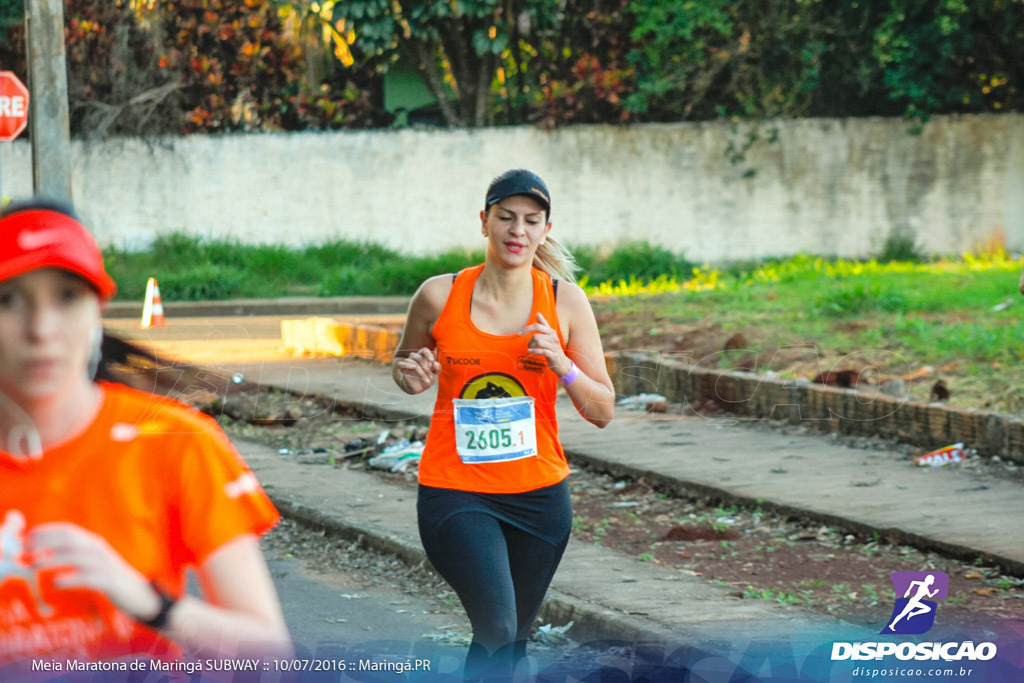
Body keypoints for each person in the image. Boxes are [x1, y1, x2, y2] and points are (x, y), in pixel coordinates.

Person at [0, 199, 291, 672]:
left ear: (98, 310)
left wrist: (148, 603)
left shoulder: (175, 440)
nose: (41, 329)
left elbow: (271, 655)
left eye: (67, 297)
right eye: (8, 300)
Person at [392, 169, 615, 679]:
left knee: (512, 638)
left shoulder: (565, 302)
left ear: (545, 230)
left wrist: (564, 365)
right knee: (495, 626)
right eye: (506, 217)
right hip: (456, 492)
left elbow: (602, 410)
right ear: (484, 221)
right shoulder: (438, 295)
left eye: (531, 221)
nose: (518, 230)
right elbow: (406, 369)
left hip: (540, 498)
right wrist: (411, 375)